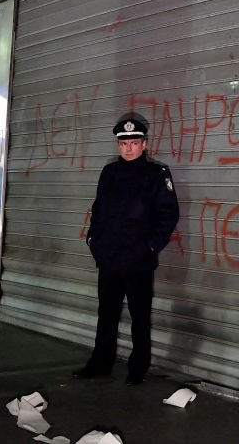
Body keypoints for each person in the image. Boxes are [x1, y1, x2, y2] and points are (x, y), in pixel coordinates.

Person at [73, 117, 180, 384]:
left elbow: (168, 216)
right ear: (118, 144)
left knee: (140, 317)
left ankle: (137, 369)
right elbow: (98, 210)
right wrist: (93, 240)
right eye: (124, 143)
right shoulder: (109, 173)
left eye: (134, 143)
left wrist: (150, 247)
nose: (129, 148)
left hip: (139, 261)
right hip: (109, 258)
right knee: (106, 314)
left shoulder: (157, 175)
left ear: (144, 144)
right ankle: (100, 363)